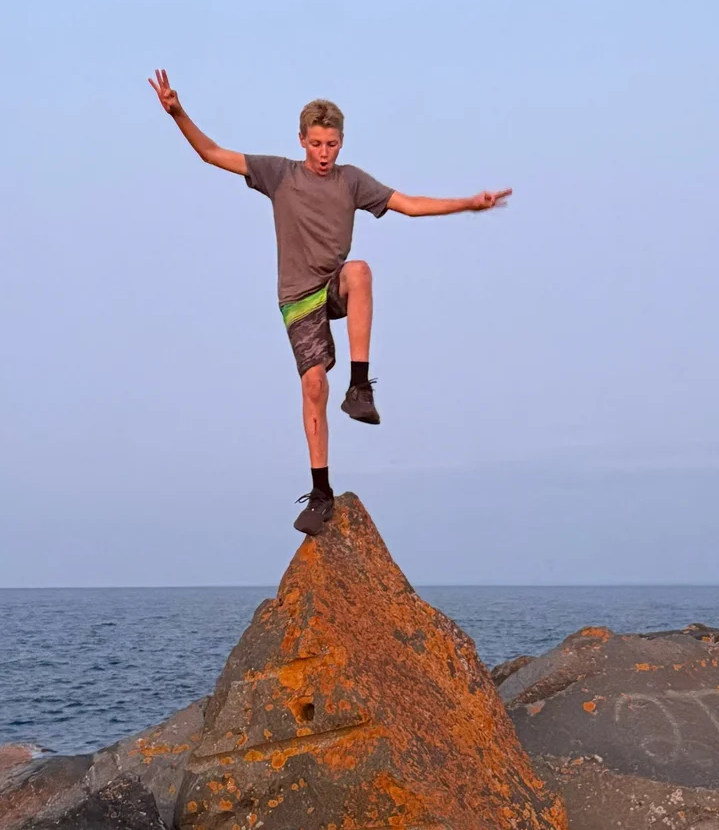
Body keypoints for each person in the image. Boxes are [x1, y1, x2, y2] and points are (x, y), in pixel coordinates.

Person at [148, 70, 511, 535]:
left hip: (333, 285)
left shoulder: (352, 182)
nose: (323, 154)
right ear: (302, 141)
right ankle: (321, 493)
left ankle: (360, 388)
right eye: (316, 144)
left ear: (342, 143)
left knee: (359, 271)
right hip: (298, 297)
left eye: (332, 144)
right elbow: (211, 154)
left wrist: (469, 204)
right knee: (313, 385)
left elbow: (411, 204)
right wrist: (178, 112)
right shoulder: (278, 174)